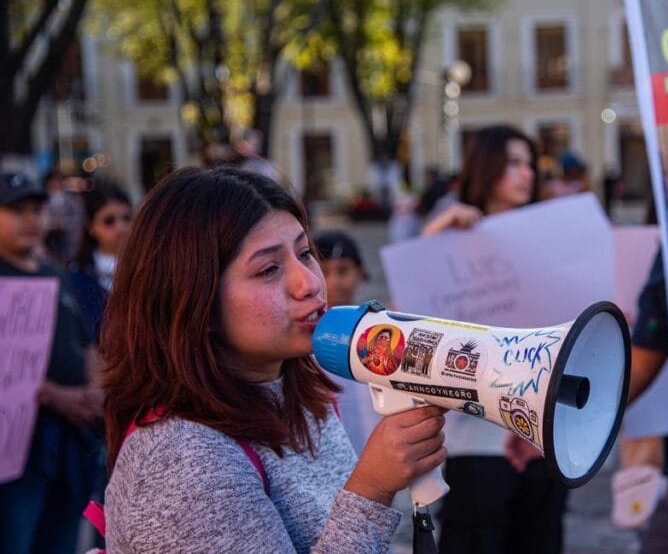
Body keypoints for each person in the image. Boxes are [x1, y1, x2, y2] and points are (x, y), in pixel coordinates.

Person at [99, 166, 446, 551]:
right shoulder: (182, 461)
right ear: (195, 301)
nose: (311, 283)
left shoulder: (296, 391)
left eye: (304, 253)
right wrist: (373, 487)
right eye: (268, 269)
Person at [421, 125, 566, 554]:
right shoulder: (451, 240)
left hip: (544, 441)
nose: (525, 174)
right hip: (474, 441)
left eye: (529, 164)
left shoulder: (554, 240)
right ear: (486, 169)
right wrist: (437, 235)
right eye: (512, 163)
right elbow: (416, 328)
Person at [0, 170, 103, 554]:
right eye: (16, 210)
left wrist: (95, 392)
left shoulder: (54, 276)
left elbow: (85, 341)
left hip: (69, 444)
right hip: (17, 454)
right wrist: (55, 395)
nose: (30, 220)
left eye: (36, 209)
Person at [313, 230, 378, 455]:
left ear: (361, 272)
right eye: (324, 271)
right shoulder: (302, 340)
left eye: (343, 270)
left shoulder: (380, 330)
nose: (335, 281)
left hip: (378, 451)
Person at [68, 179, 133, 338]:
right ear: (90, 226)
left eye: (126, 218)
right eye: (109, 221)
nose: (120, 228)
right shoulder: (77, 276)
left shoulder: (149, 267)